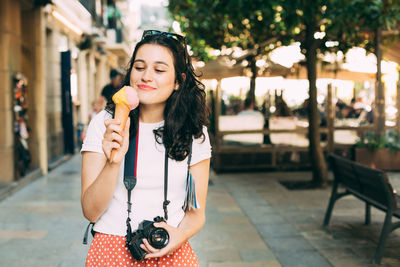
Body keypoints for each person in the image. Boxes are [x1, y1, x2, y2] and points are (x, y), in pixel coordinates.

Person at [81, 30, 211, 266]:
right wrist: (114, 161)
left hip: (171, 250)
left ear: (178, 81)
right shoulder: (104, 123)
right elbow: (90, 211)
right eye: (139, 67)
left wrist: (179, 235)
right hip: (110, 251)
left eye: (159, 70)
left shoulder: (193, 132)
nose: (146, 76)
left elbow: (196, 213)